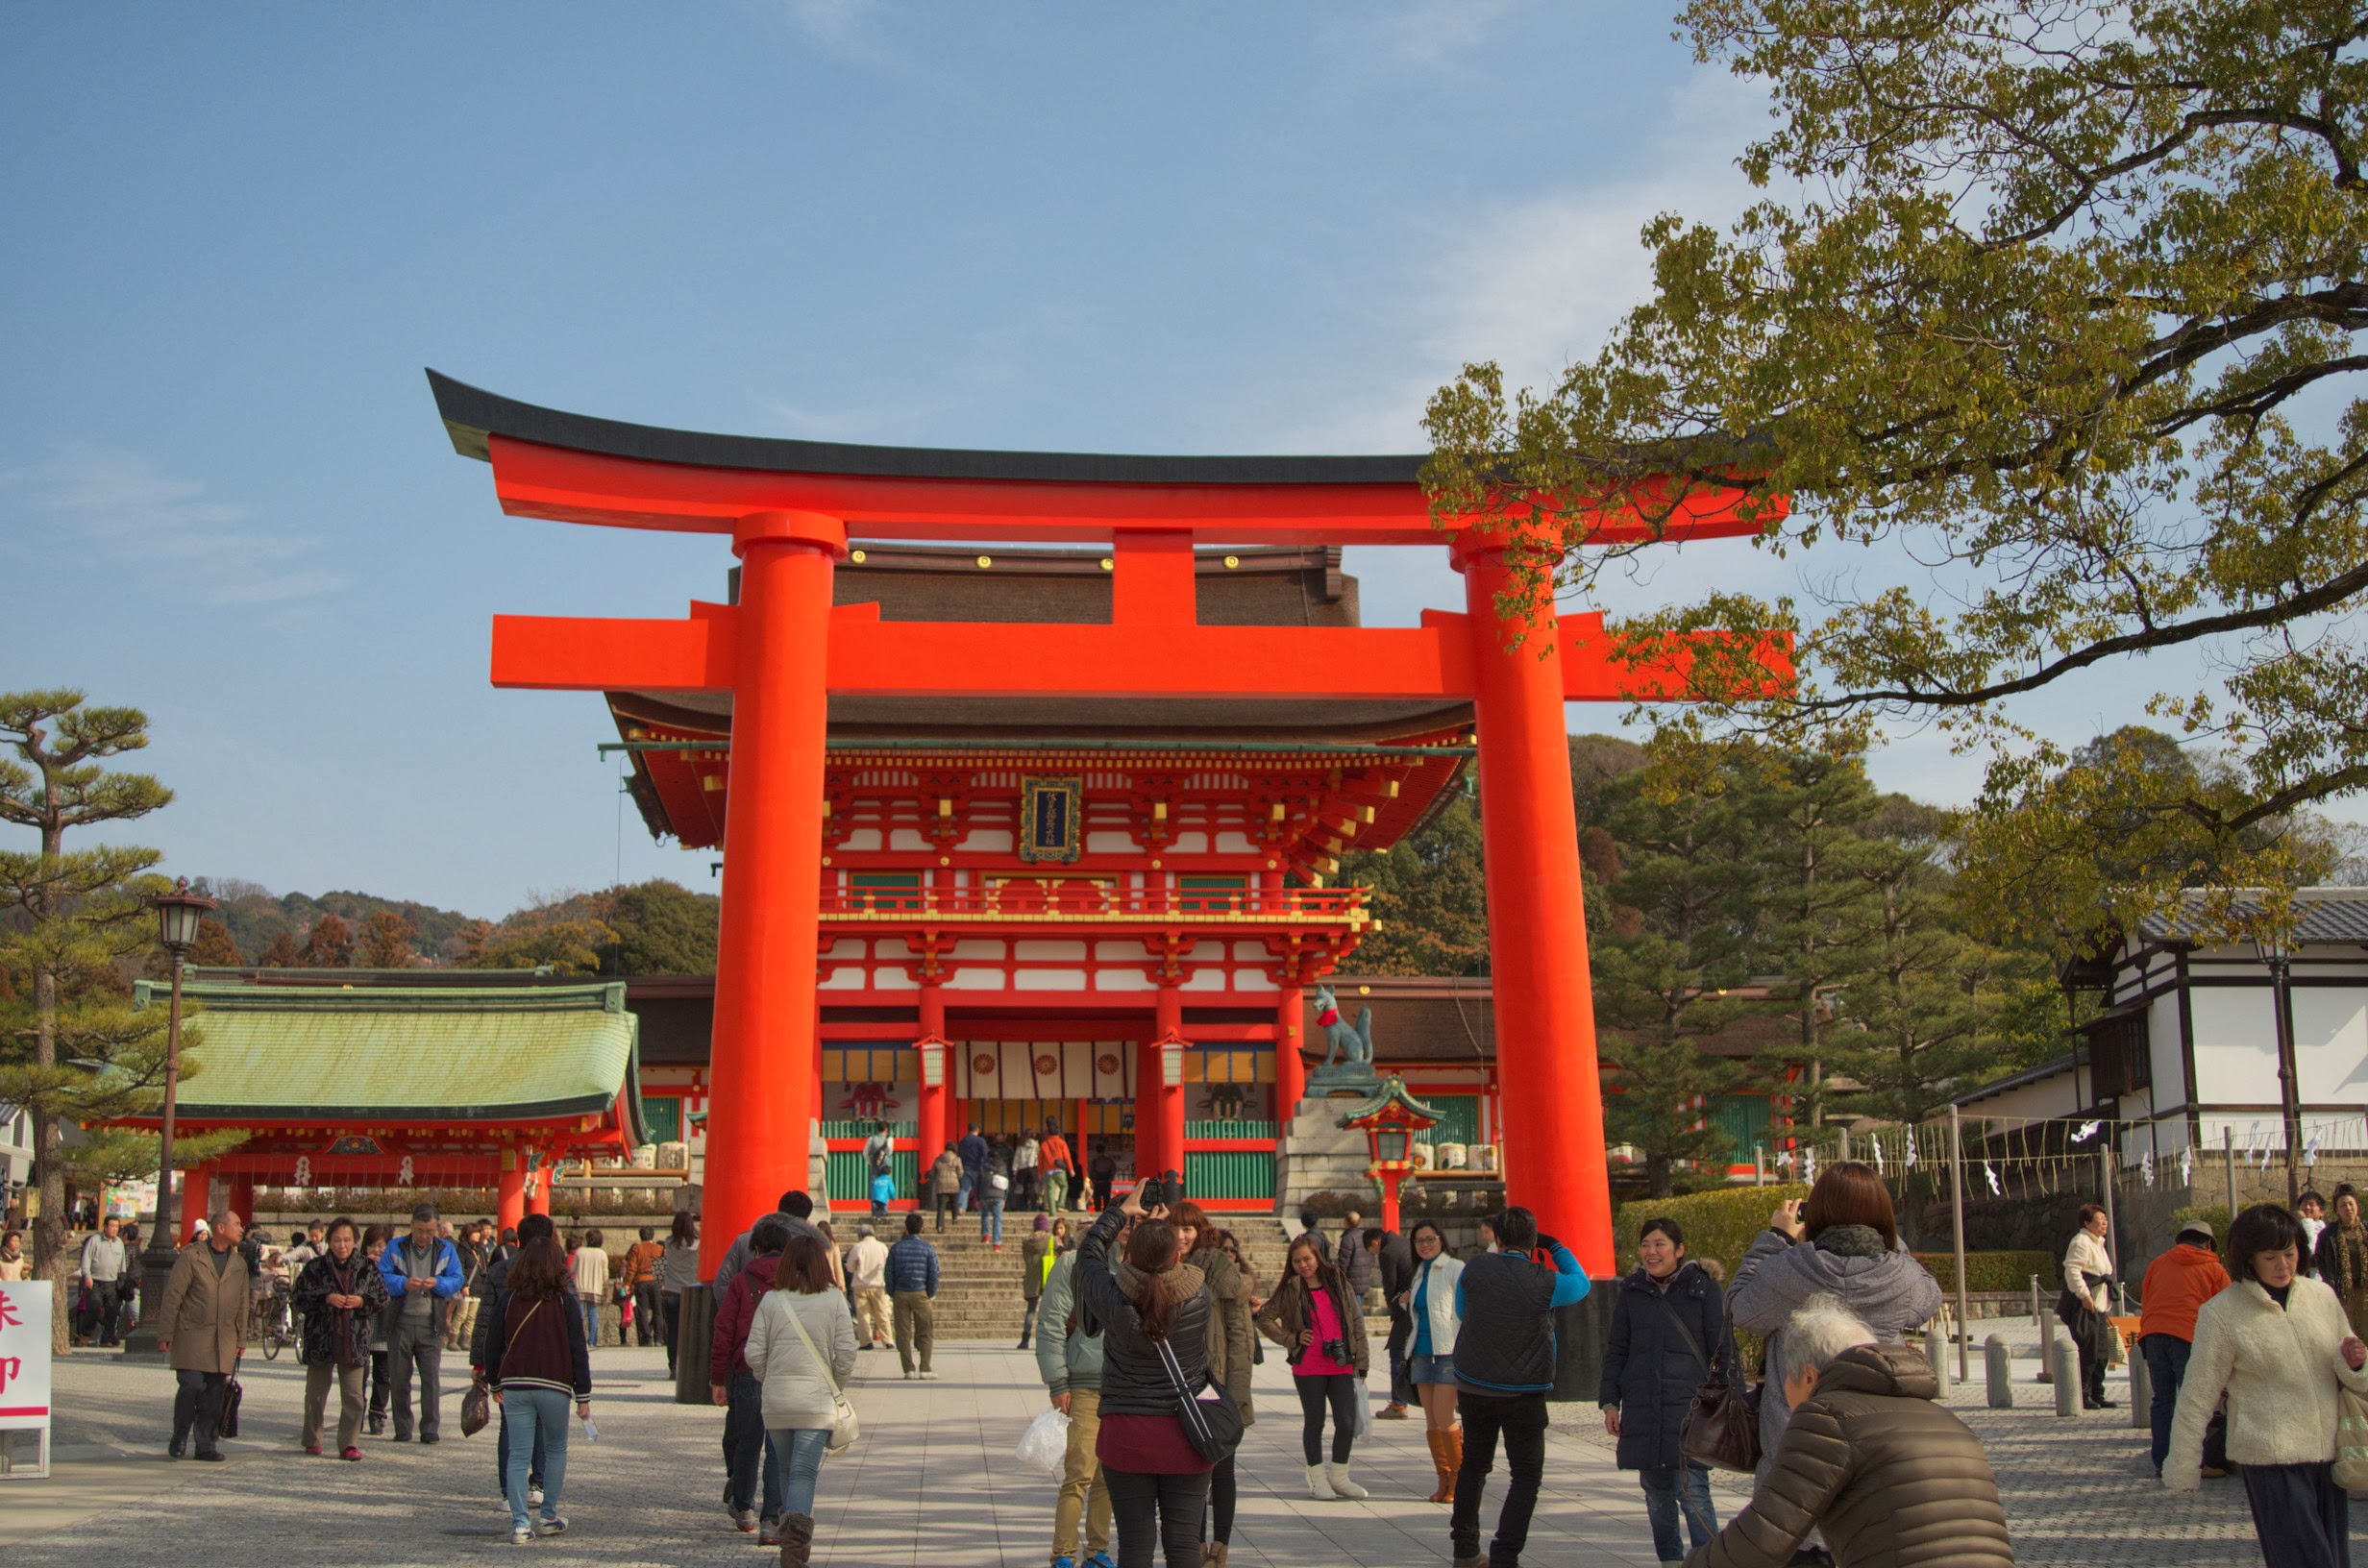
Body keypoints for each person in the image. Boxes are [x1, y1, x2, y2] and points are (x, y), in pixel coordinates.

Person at [1680, 1296, 2013, 1568]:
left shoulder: (1828, 1418)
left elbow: (1768, 1532)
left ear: (1808, 1377)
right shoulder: (1948, 1422)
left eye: (1784, 1380)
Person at [2167, 1203, 2368, 1568]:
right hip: (2271, 1459)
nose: (2283, 1266)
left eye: (2290, 1254)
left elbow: (2350, 1369)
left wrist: (2357, 1362)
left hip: (2328, 1456)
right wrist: (2183, 1463)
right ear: (2249, 1259)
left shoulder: (2321, 1297)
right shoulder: (2222, 1313)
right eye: (2270, 1257)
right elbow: (2197, 1395)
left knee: (2335, 1560)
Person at [1727, 1164, 1942, 1474]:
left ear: (1814, 1213)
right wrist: (1891, 1242)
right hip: (1879, 1449)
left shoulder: (1787, 1271)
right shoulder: (1901, 1277)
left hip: (1795, 1453)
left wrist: (1776, 1237)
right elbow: (1930, 1298)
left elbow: (1738, 1306)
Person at [1073, 1181, 1215, 1568]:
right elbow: (1170, 1273)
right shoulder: (1198, 1295)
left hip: (1127, 1435)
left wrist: (1121, 1212)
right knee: (1184, 1545)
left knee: (1135, 1545)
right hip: (1187, 1435)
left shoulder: (1113, 1295)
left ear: (1130, 1254)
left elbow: (1087, 1254)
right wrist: (1161, 1234)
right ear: (1176, 1254)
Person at [1448, 1204, 1591, 1568]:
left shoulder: (1475, 1268)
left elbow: (1463, 1312)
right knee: (1526, 1476)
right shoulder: (1545, 1280)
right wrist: (1556, 1246)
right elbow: (1582, 1283)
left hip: (1475, 1385)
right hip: (1524, 1392)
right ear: (1533, 1241)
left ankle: (1464, 1549)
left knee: (1474, 1467)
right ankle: (1505, 1555)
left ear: (1496, 1237)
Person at [1602, 1217, 1722, 1568]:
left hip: (1690, 1407)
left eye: (1660, 1244)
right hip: (1642, 1407)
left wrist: (1722, 1401)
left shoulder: (1704, 1290)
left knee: (1693, 1491)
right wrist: (1610, 1402)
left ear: (1679, 1250)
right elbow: (1616, 1351)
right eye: (1646, 1245)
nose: (1651, 1252)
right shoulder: (1632, 1291)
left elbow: (1722, 1350)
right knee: (1656, 1494)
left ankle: (1707, 1560)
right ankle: (1669, 1560)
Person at [746, 1231, 858, 1568]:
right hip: (815, 1402)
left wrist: (769, 1377)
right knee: (803, 1473)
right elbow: (848, 1353)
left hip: (778, 1400)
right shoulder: (834, 1299)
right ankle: (793, 1551)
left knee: (784, 1469)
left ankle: (789, 1537)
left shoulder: (772, 1300)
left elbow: (753, 1353)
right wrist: (834, 1384)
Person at [482, 1231, 592, 1545]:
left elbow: (493, 1344)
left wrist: (494, 1381)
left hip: (516, 1385)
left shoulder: (510, 1299)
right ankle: (548, 1515)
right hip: (555, 1386)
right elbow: (577, 1349)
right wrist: (583, 1394)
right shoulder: (565, 1302)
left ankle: (519, 1523)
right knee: (555, 1450)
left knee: (518, 1454)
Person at [1255, 1231, 1372, 1501]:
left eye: (1307, 1259)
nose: (1303, 1265)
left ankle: (1340, 1477)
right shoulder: (1291, 1288)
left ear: (1317, 1257)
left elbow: (1356, 1321)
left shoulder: (1337, 1281)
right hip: (1309, 1364)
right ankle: (1317, 1478)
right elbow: (1264, 1319)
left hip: (1341, 1361)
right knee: (1315, 1421)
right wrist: (1291, 1338)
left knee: (1345, 1421)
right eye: (1297, 1261)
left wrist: (1362, 1360)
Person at [1038, 1209, 1118, 1568]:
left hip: (1121, 1385)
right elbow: (1052, 1322)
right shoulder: (1069, 1265)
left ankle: (1097, 1549)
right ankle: (1064, 1552)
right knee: (1080, 1473)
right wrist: (1057, 1380)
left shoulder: (1128, 1268)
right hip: (1084, 1382)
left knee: (1109, 1475)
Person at [1178, 1204, 1254, 1568]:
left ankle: (1219, 1546)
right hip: (1178, 1385)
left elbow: (1241, 1337)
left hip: (1216, 1383)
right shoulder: (1163, 1268)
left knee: (1221, 1467)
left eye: (1188, 1229)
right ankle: (1195, 1543)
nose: (1180, 1235)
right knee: (1189, 1469)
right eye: (1174, 1228)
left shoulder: (1220, 1270)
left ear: (1201, 1231)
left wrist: (1237, 1396)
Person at [713, 1214, 793, 1539]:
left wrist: (718, 1378)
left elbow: (724, 1332)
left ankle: (744, 1507)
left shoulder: (741, 1282)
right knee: (777, 1447)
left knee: (747, 1442)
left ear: (756, 1250)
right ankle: (771, 1519)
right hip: (785, 1371)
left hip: (748, 1371)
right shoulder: (797, 1283)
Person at [2136, 1218, 2232, 1479]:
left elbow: (2146, 1300)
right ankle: (2194, 1463)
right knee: (2194, 1402)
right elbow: (2227, 1310)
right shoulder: (2213, 1267)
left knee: (2162, 1400)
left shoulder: (2157, 1264)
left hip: (2154, 1334)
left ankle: (2162, 1461)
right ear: (2207, 1242)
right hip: (2188, 1336)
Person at [471, 1213, 553, 1511]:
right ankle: (538, 1485)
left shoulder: (499, 1270)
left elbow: (486, 1321)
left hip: (507, 1358)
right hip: (545, 1359)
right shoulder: (554, 1271)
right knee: (542, 1423)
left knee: (510, 1424)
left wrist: (481, 1362)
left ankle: (508, 1492)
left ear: (518, 1239)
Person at [292, 1215, 387, 1459]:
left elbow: (383, 1298)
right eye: (336, 1240)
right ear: (328, 1241)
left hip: (354, 1339)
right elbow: (299, 1297)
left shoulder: (367, 1267)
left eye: (346, 1240)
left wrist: (361, 1301)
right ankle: (313, 1438)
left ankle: (349, 1443)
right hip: (320, 1337)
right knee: (315, 1393)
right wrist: (325, 1298)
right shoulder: (315, 1267)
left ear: (355, 1241)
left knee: (354, 1396)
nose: (341, 1245)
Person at [159, 1207, 249, 1460]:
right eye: (237, 1224)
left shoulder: (239, 1264)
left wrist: (241, 1339)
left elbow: (243, 1304)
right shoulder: (191, 1257)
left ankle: (206, 1444)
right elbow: (173, 1295)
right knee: (191, 1386)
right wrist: (166, 1332)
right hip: (192, 1335)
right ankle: (180, 1435)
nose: (241, 1229)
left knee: (214, 1393)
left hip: (224, 1339)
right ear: (220, 1228)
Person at [376, 1201, 463, 1443]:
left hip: (431, 1321)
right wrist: (402, 1284)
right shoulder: (395, 1247)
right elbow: (382, 1276)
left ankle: (430, 1428)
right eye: (420, 1231)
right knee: (399, 1377)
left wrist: (439, 1284)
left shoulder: (446, 1249)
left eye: (430, 1231)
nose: (425, 1236)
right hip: (400, 1321)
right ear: (411, 1226)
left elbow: (457, 1278)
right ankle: (402, 1427)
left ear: (438, 1230)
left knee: (431, 1378)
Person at [1402, 1219, 1465, 1504]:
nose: (1425, 1245)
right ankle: (1442, 1478)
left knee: (1444, 1417)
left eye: (1430, 1239)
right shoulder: (1418, 1273)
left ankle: (1459, 1479)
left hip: (1447, 1352)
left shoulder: (1455, 1268)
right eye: (1419, 1241)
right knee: (1430, 1421)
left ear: (1441, 1239)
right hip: (1421, 1352)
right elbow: (1419, 1310)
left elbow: (1463, 1311)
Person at [713, 1190, 826, 1304]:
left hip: (750, 1315)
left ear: (779, 1209)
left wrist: (738, 1311)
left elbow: (722, 1283)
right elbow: (820, 1285)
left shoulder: (744, 1240)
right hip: (792, 1317)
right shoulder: (811, 1247)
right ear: (806, 1218)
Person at [2060, 1203, 2118, 1409]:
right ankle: (2083, 1395)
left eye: (2105, 1219)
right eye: (2099, 1220)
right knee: (2088, 1351)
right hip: (2087, 1306)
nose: (2104, 1223)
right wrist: (2084, 1295)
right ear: (2087, 1223)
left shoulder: (2098, 1243)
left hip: (2101, 1305)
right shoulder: (2081, 1242)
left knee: (2102, 1353)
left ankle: (2097, 1392)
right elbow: (2072, 1271)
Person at [1368, 1226, 1416, 1419]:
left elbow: (1389, 1285)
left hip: (1405, 1306)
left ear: (1375, 1243)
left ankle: (1398, 1404)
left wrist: (1393, 1309)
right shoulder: (1405, 1242)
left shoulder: (1387, 1253)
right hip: (1418, 1301)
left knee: (1397, 1354)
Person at [886, 1211, 940, 1379]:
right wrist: (930, 1292)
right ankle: (925, 1368)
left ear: (906, 1229)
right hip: (920, 1292)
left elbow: (889, 1273)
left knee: (902, 1332)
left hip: (901, 1292)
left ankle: (908, 1369)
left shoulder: (896, 1248)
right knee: (925, 1331)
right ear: (922, 1229)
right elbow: (934, 1273)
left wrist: (892, 1291)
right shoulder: (927, 1249)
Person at [2314, 1183, 2368, 1334]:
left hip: (2365, 1293)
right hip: (2343, 1294)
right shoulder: (2328, 1235)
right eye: (2343, 1205)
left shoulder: (2365, 1230)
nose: (2348, 1208)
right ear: (2336, 1209)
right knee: (2348, 1334)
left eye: (2351, 1204)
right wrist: (2329, 1280)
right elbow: (2320, 1259)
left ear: (2357, 1205)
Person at [75, 1214, 129, 1346]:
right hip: (95, 1281)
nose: (114, 1229)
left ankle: (107, 1338)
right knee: (94, 1306)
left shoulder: (119, 1243)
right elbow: (86, 1259)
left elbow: (122, 1264)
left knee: (112, 1311)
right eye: (112, 1226)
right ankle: (85, 1334)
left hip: (112, 1282)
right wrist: (87, 1275)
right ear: (105, 1227)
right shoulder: (95, 1240)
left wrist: (122, 1279)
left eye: (117, 1226)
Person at [361, 1224, 393, 1434]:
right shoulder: (357, 1267)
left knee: (383, 1374)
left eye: (381, 1246)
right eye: (372, 1245)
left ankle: (377, 1414)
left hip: (384, 1326)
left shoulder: (393, 1268)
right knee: (359, 1375)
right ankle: (356, 1413)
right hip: (363, 1327)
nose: (376, 1250)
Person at [661, 1212, 700, 1376]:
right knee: (692, 1331)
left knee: (673, 1331)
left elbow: (661, 1264)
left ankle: (673, 1366)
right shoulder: (698, 1243)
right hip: (692, 1291)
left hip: (671, 1290)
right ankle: (690, 1366)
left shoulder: (668, 1243)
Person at [844, 1222, 893, 1350]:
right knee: (882, 1313)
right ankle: (888, 1340)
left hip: (861, 1284)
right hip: (878, 1284)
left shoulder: (858, 1247)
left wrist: (857, 1269)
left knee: (863, 1315)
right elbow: (888, 1264)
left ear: (860, 1234)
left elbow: (849, 1266)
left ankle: (866, 1341)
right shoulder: (882, 1247)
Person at [443, 1221, 486, 1351]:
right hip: (467, 1286)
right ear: (468, 1234)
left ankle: (466, 1340)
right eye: (475, 1233)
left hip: (478, 1287)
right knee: (461, 1314)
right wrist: (464, 1284)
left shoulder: (480, 1250)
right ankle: (453, 1339)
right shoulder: (462, 1249)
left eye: (479, 1232)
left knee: (472, 1316)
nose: (478, 1235)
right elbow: (460, 1268)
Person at [620, 1225, 664, 1347]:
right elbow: (661, 1268)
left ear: (641, 1236)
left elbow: (632, 1268)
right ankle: (659, 1338)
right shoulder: (659, 1248)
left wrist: (627, 1284)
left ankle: (646, 1337)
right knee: (657, 1310)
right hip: (655, 1281)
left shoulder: (637, 1249)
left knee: (642, 1311)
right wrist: (662, 1283)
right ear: (652, 1235)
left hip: (641, 1281)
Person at [571, 1227, 610, 1348]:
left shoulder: (580, 1252)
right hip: (594, 1288)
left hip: (580, 1287)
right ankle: (592, 1341)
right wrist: (606, 1287)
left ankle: (579, 1340)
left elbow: (572, 1269)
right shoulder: (602, 1254)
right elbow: (605, 1274)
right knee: (593, 1314)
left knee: (579, 1315)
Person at [1022, 1213, 1054, 1349]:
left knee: (1031, 1311)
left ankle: (1025, 1340)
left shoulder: (1026, 1241)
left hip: (1032, 1278)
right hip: (1047, 1275)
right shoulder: (1050, 1239)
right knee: (1048, 1312)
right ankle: (1046, 1341)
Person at [1336, 1211, 1375, 1301]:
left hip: (1352, 1280)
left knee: (1355, 1309)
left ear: (1346, 1222)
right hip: (1364, 1277)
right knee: (1359, 1304)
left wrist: (1340, 1278)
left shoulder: (1348, 1238)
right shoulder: (1364, 1236)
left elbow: (1344, 1261)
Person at [1042, 1124, 1076, 1213]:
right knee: (1064, 1186)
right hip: (1059, 1170)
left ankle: (1052, 1211)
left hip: (1048, 1170)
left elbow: (1040, 1159)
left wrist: (1040, 1171)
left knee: (1050, 1190)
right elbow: (1067, 1157)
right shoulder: (1062, 1143)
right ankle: (1060, 1204)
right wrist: (1071, 1169)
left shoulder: (1045, 1144)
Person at [929, 1144, 963, 1232]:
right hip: (954, 1184)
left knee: (941, 1207)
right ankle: (955, 1218)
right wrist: (958, 1178)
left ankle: (940, 1226)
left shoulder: (938, 1159)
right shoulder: (957, 1159)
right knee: (954, 1203)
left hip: (941, 1184)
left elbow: (933, 1172)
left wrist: (936, 1179)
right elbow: (960, 1173)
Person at [958, 1123, 990, 1213]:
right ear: (977, 1130)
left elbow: (960, 1153)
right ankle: (980, 1207)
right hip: (977, 1167)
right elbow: (985, 1154)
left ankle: (961, 1207)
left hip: (965, 1166)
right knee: (980, 1189)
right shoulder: (980, 1141)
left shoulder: (963, 1141)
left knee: (965, 1189)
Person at [2299, 1190, 2330, 1278]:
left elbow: (2314, 1252)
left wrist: (2306, 1222)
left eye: (2311, 1204)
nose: (2307, 1207)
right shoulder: (2293, 1231)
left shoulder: (2328, 1234)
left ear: (2322, 1212)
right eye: (2304, 1204)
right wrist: (2306, 1222)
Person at [1016, 1129, 1043, 1212]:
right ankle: (1034, 1206)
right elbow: (1039, 1156)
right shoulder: (1036, 1145)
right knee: (1034, 1188)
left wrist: (1014, 1168)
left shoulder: (1021, 1144)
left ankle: (1022, 1206)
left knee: (1022, 1189)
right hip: (1033, 1168)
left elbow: (1017, 1158)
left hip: (1022, 1168)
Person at [1089, 1142, 1119, 1213]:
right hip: (1106, 1181)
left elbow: (1091, 1171)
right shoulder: (1109, 1160)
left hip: (1098, 1182)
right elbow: (1113, 1169)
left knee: (1097, 1198)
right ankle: (1106, 1211)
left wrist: (1093, 1180)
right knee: (1106, 1198)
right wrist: (1111, 1178)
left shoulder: (1094, 1161)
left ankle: (1097, 1210)